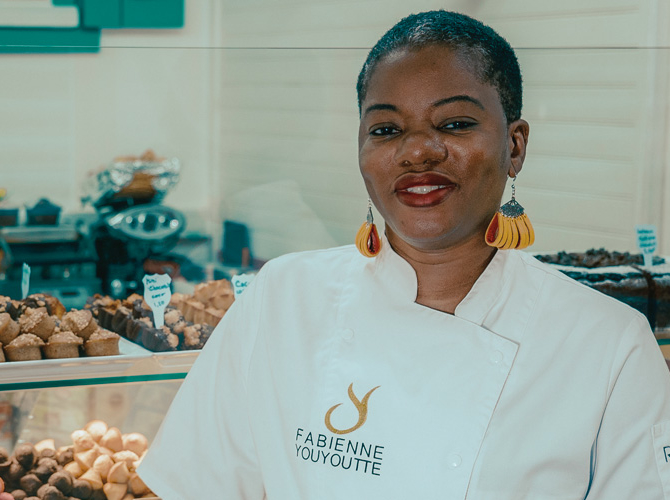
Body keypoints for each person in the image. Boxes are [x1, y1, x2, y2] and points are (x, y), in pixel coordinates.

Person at [138, 10, 670, 499]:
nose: (417, 151)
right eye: (386, 129)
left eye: (455, 123)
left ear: (515, 146)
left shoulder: (609, 346)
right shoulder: (282, 298)